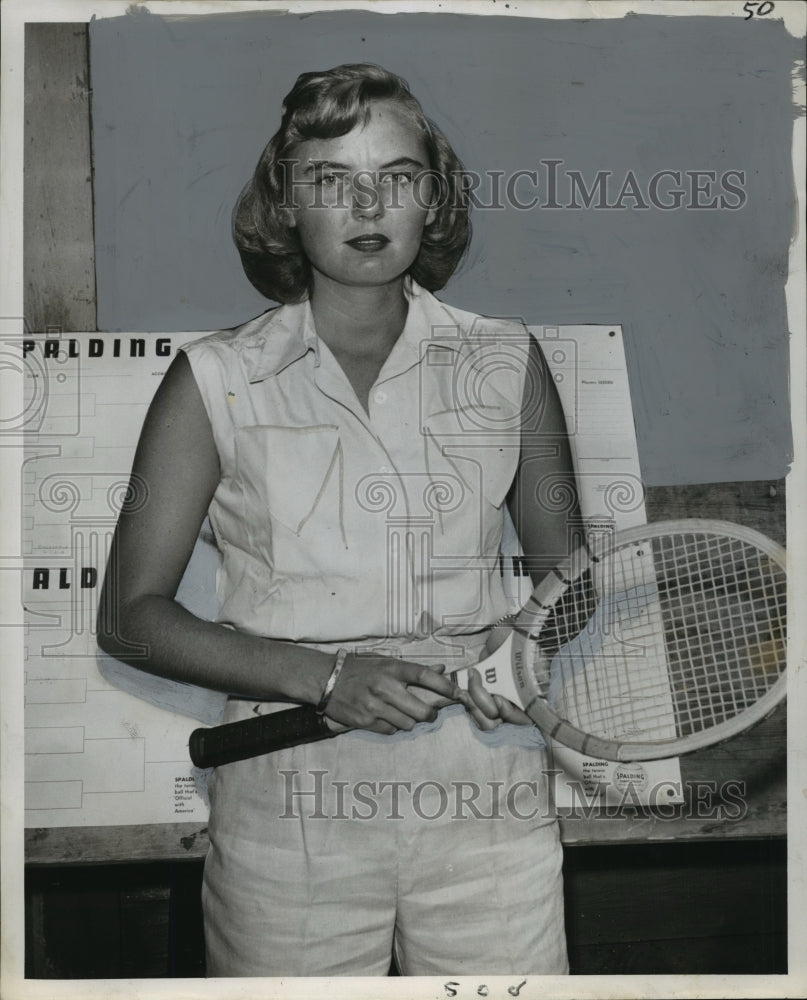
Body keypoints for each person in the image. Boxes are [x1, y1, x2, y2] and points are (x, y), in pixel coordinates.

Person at [98, 62, 578, 977]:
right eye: (330, 180)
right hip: (288, 806)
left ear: (431, 201)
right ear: (285, 204)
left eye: (397, 177)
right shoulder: (213, 379)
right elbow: (131, 615)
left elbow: (571, 576)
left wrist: (519, 647)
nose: (368, 204)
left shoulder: (508, 360)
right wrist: (323, 677)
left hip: (485, 792)